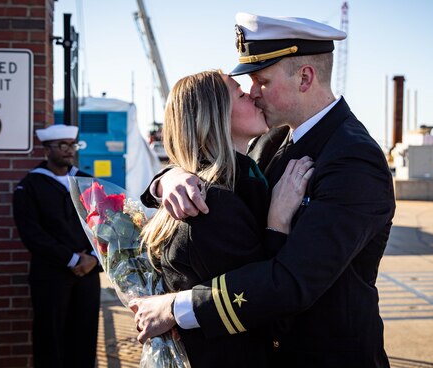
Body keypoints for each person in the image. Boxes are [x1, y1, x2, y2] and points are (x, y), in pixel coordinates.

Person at [133, 13, 396, 367]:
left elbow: (293, 280)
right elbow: (220, 165)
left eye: (262, 80)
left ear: (305, 77)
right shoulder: (273, 139)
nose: (253, 93)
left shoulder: (352, 158)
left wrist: (176, 307)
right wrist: (170, 177)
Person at [133, 70, 313, 367]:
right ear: (215, 116)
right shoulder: (211, 205)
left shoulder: (231, 183)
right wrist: (278, 223)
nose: (254, 95)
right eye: (241, 94)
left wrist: (166, 178)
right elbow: (266, 309)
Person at [13, 124, 100, 368]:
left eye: (72, 144)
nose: (69, 150)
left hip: (88, 275)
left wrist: (93, 257)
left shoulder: (85, 182)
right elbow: (32, 234)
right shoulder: (30, 186)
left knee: (85, 336)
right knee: (50, 339)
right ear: (46, 149)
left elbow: (104, 224)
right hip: (51, 275)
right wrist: (73, 259)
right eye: (62, 145)